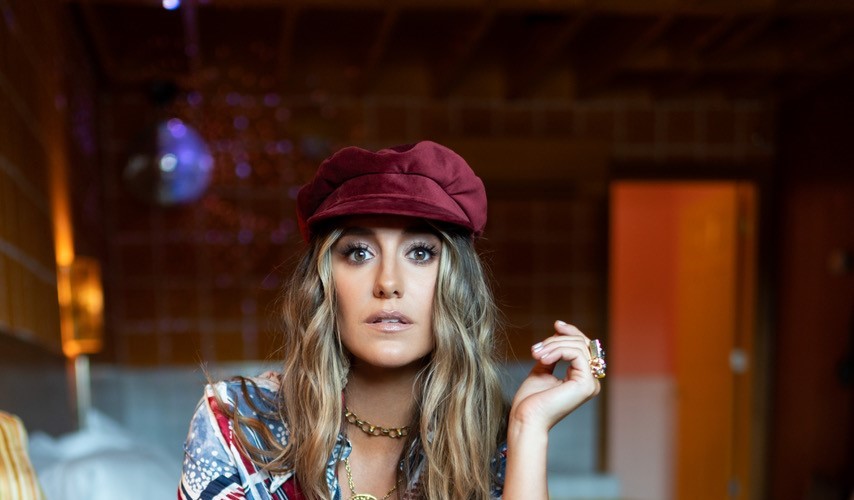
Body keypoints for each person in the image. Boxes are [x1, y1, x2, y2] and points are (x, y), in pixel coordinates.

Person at [178, 141, 605, 500]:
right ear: (325, 283)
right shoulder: (238, 425)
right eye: (358, 253)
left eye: (420, 252)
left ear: (456, 283)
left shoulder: (491, 445)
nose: (387, 283)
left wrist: (528, 430)